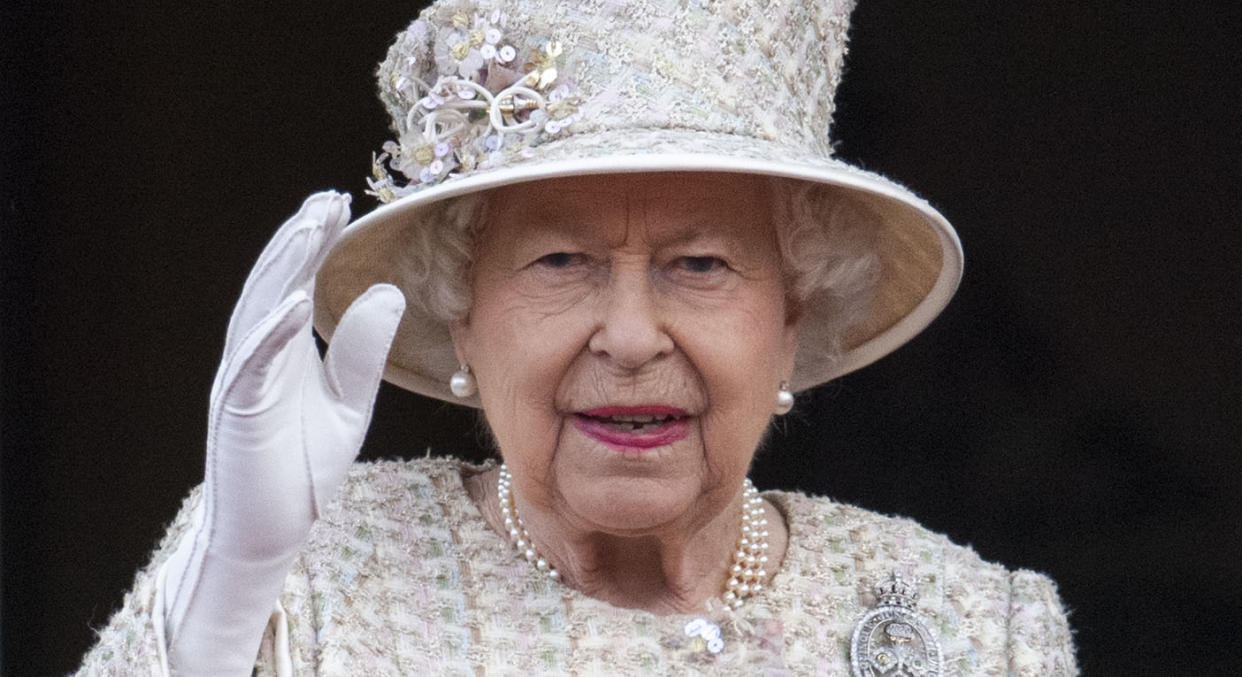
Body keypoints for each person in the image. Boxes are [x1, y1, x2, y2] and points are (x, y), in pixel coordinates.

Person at [79, 0, 1076, 674]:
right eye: (560, 263)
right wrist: (219, 613)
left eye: (701, 265)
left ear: (794, 318)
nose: (632, 335)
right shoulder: (300, 573)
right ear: (458, 309)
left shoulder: (980, 632)